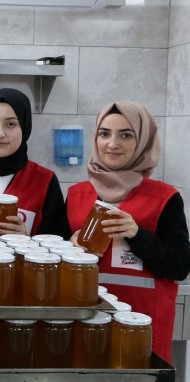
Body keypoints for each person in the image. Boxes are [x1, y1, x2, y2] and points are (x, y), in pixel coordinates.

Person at [66, 101, 190, 362]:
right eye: (104, 133)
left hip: (142, 329)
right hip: (84, 323)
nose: (112, 143)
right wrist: (70, 246)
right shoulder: (77, 194)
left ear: (142, 141)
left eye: (125, 134)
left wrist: (137, 234)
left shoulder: (164, 198)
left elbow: (180, 266)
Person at [0, 88, 70, 238]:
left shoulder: (44, 181)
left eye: (10, 124)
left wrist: (27, 240)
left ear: (25, 128)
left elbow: (59, 243)